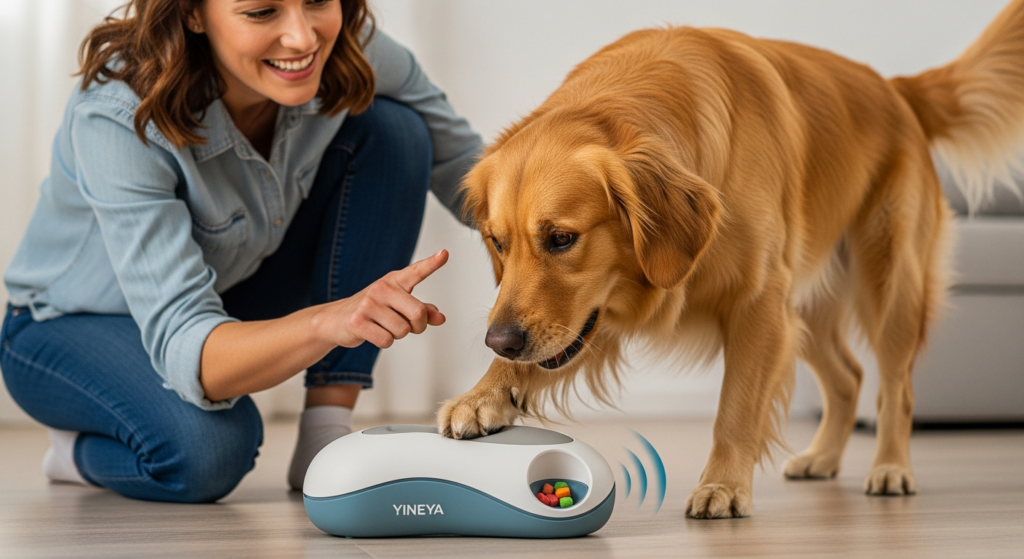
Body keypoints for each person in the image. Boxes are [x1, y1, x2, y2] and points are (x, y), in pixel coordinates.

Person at [0, 0, 481, 502]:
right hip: (63, 328)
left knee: (396, 129)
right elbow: (185, 334)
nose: (302, 38)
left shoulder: (349, 50)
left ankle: (326, 433)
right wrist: (328, 321)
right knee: (209, 452)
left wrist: (559, 242)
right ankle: (75, 455)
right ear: (191, 14)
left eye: (317, 0)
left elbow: (476, 179)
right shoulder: (117, 113)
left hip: (227, 287)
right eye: (261, 12)